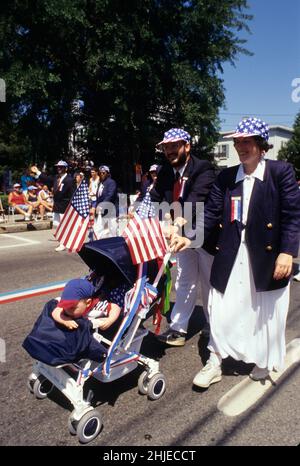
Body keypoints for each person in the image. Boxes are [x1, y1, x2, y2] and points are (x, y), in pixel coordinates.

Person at [172, 117, 300, 386]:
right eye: (238, 141)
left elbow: (292, 215)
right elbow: (210, 214)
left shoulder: (281, 172)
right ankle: (215, 361)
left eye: (248, 141)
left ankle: (263, 360)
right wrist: (190, 238)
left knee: (263, 310)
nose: (241, 146)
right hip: (231, 253)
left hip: (266, 256)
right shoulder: (227, 177)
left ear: (261, 145)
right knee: (220, 307)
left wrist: (287, 252)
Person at [151, 128, 215, 346]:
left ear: (187, 146)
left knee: (209, 282)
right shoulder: (165, 172)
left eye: (174, 146)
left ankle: (212, 325)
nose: (169, 151)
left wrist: (177, 222)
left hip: (204, 235)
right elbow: (156, 197)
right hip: (180, 236)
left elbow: (197, 198)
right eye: (166, 147)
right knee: (184, 280)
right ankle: (178, 328)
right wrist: (164, 222)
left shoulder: (203, 168)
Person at [31, 161, 75, 251]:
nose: (59, 168)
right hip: (57, 205)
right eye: (58, 167)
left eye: (61, 167)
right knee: (58, 225)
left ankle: (65, 243)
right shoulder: (56, 178)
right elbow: (46, 179)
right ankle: (63, 242)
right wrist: (37, 171)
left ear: (66, 168)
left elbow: (72, 194)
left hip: (65, 205)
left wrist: (71, 206)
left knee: (65, 225)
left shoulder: (70, 179)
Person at [51, 278, 122, 331]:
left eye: (72, 308)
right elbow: (56, 312)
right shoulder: (67, 305)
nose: (67, 310)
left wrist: (110, 320)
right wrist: (64, 320)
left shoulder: (98, 306)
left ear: (88, 303)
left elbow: (115, 307)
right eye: (65, 306)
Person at [92, 165, 119, 238]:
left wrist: (102, 205)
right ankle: (99, 243)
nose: (101, 174)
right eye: (100, 173)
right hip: (102, 210)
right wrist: (96, 206)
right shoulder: (101, 183)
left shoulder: (111, 182)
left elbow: (110, 195)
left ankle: (114, 244)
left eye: (103, 173)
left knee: (112, 229)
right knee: (99, 228)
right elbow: (98, 196)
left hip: (110, 210)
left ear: (107, 173)